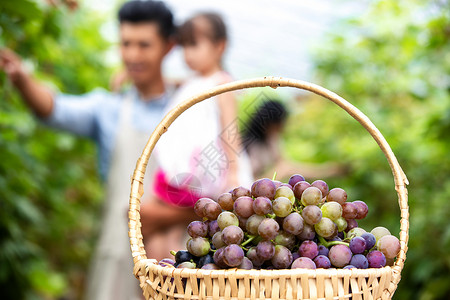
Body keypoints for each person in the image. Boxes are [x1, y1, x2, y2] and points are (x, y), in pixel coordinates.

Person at [0, 1, 198, 299]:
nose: (132, 55)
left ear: (169, 47)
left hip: (174, 257)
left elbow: (216, 185)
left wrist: (166, 215)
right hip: (117, 251)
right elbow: (54, 109)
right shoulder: (109, 108)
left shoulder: (190, 109)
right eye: (126, 44)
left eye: (144, 45)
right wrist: (22, 78)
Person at [153, 12, 254, 207]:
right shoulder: (193, 81)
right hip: (188, 168)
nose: (187, 54)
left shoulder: (222, 83)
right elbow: (168, 84)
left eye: (193, 45)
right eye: (183, 46)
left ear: (219, 46)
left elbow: (230, 128)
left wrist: (233, 172)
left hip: (209, 168)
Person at [242, 99, 345, 180]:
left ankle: (329, 171)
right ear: (270, 122)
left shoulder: (271, 140)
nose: (283, 128)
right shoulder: (249, 145)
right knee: (284, 168)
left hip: (261, 187)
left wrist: (326, 171)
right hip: (248, 188)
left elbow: (289, 166)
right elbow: (285, 168)